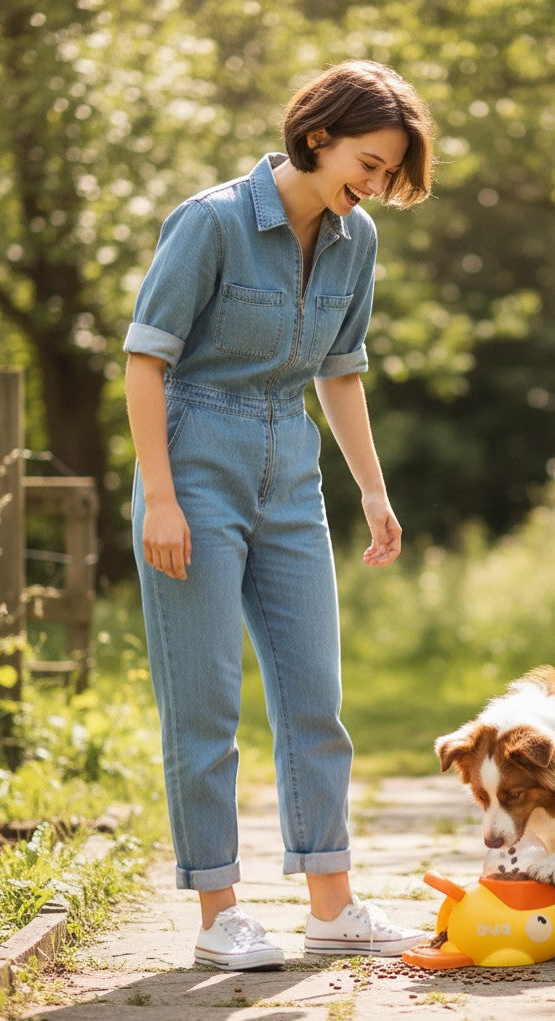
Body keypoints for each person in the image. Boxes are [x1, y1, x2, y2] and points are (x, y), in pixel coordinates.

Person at [123, 60, 435, 971]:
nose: (373, 184)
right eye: (368, 163)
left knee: (315, 696)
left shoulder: (356, 237)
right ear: (317, 137)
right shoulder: (213, 221)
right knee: (206, 702)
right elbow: (145, 362)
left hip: (291, 474)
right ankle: (220, 910)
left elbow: (340, 370)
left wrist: (372, 491)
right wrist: (164, 497)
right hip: (194, 462)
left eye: (385, 173)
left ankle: (332, 905)